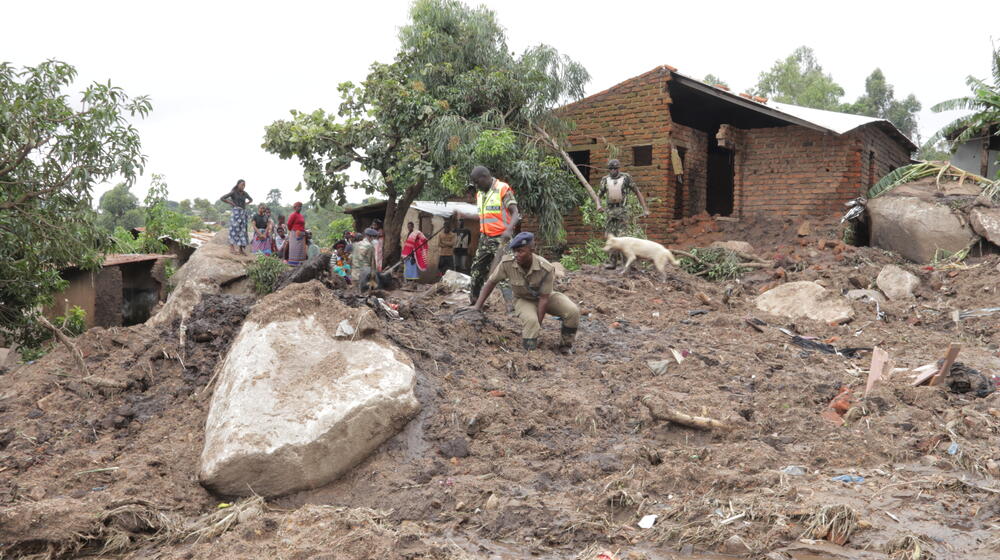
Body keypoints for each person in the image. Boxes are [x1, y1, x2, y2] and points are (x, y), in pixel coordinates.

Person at [472, 232, 579, 353]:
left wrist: (539, 323)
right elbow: (491, 282)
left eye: (521, 251)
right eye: (514, 251)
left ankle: (565, 346)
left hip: (545, 297)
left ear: (531, 250)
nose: (516, 255)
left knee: (573, 311)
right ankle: (530, 351)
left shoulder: (546, 268)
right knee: (531, 322)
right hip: (523, 299)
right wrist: (477, 306)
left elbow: (544, 298)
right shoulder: (507, 263)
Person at [469, 165, 521, 305]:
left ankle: (511, 307)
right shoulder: (480, 194)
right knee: (476, 270)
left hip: (501, 238)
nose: (476, 185)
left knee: (506, 272)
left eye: (477, 182)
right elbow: (485, 216)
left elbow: (516, 213)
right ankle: (474, 302)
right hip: (485, 238)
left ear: (485, 177)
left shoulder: (502, 188)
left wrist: (509, 230)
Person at [598, 159, 650, 269]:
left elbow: (637, 192)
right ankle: (612, 263)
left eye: (615, 168)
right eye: (611, 169)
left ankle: (625, 263)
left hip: (622, 211)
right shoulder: (605, 180)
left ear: (618, 168)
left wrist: (645, 208)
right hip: (610, 211)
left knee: (623, 238)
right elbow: (599, 195)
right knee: (610, 237)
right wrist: (598, 205)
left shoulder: (626, 178)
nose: (613, 171)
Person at [220, 179, 252, 255]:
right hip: (236, 212)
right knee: (234, 230)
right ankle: (232, 248)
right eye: (242, 185)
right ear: (238, 185)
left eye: (244, 185)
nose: (243, 186)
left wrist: (245, 204)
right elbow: (222, 198)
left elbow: (251, 199)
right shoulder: (234, 192)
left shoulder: (245, 193)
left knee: (243, 230)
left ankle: (241, 249)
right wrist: (231, 203)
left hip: (243, 213)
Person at [286, 202, 307, 266]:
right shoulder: (293, 215)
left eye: (300, 206)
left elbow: (302, 225)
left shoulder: (301, 216)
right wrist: (293, 231)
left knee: (301, 248)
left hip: (301, 233)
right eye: (298, 206)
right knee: (295, 248)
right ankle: (293, 263)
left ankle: (300, 262)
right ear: (295, 207)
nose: (300, 208)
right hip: (295, 233)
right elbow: (289, 224)